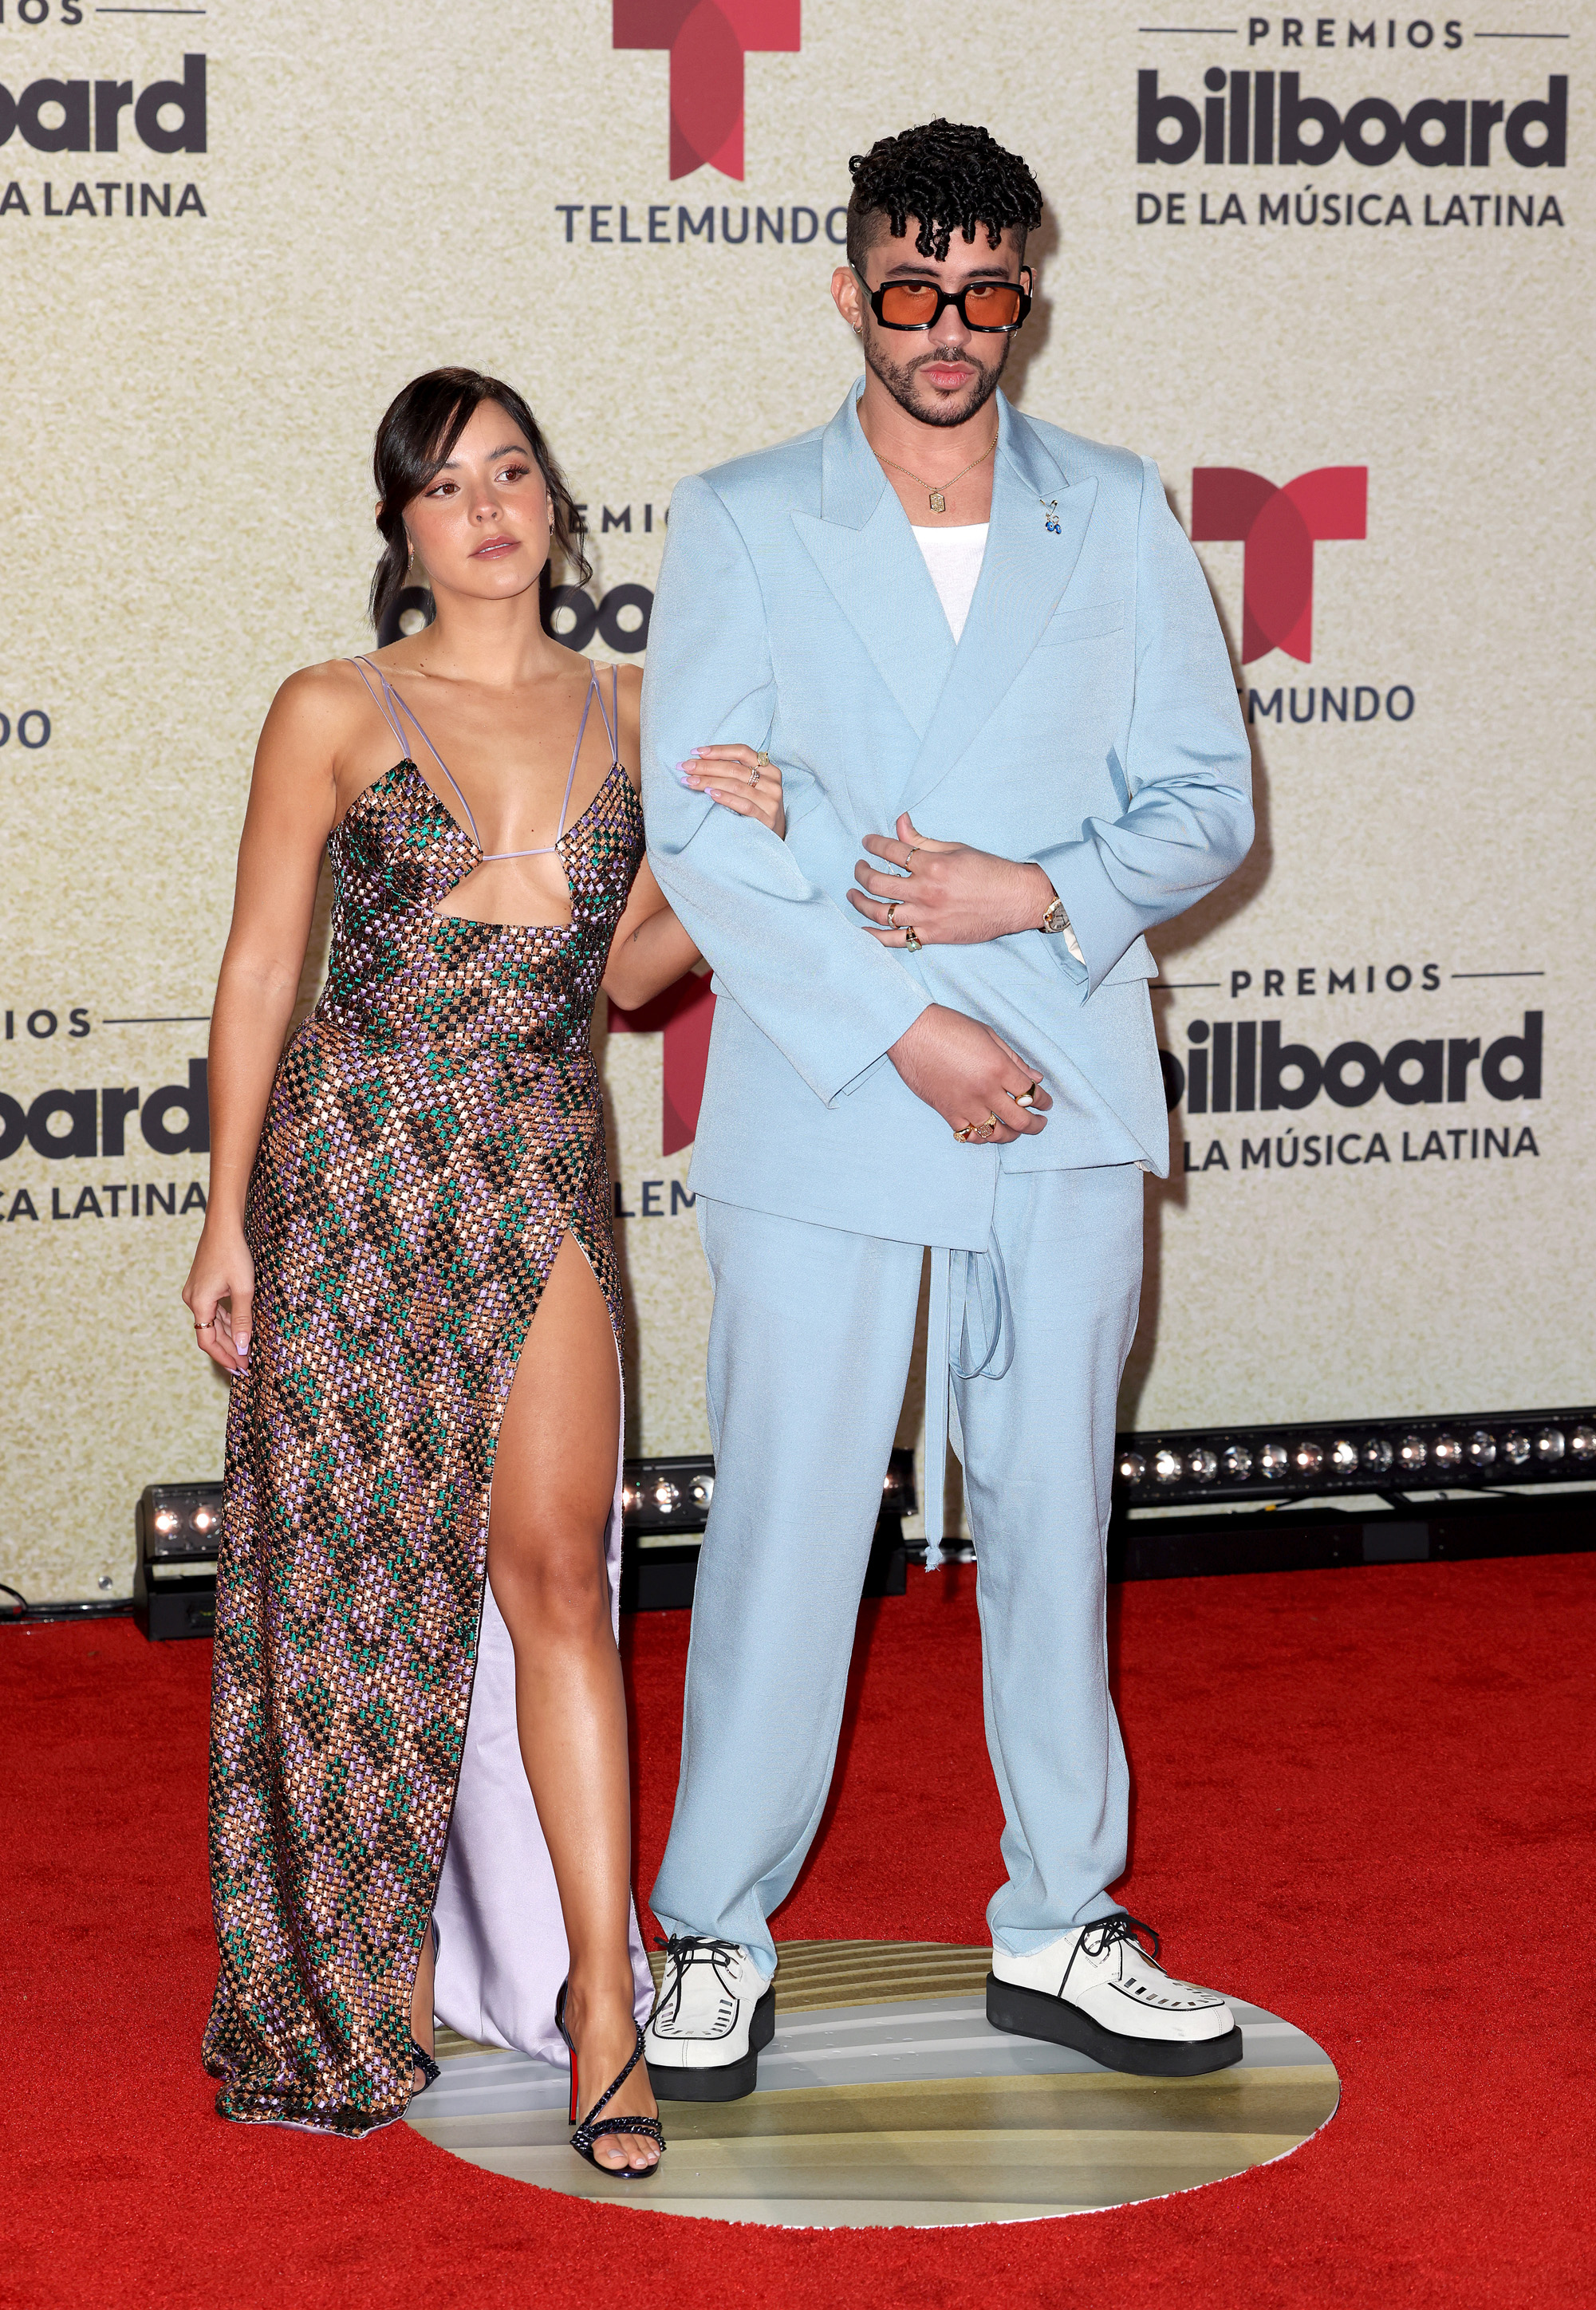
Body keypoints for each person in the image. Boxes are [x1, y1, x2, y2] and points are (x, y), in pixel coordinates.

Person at [637, 120, 1255, 2100]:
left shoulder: (1116, 507)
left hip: (1063, 1077)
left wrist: (1033, 893)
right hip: (837, 1093)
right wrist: (910, 1021)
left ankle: (1061, 1920)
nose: (945, 328)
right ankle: (711, 1934)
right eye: (908, 287)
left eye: (983, 292)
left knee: (1057, 1524)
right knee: (790, 1529)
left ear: (1023, 298)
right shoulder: (742, 516)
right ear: (847, 288)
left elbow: (1205, 805)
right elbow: (698, 841)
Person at [183, 367, 784, 2166]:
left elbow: (619, 979)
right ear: (401, 532)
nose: (490, 507)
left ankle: (605, 2002)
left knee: (554, 1583)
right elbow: (260, 971)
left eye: (513, 471)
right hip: (354, 1169)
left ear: (554, 501)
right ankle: (344, 1989)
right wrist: (223, 1213)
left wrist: (729, 844)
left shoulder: (633, 708)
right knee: (352, 1609)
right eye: (447, 486)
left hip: (530, 1162)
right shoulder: (330, 709)